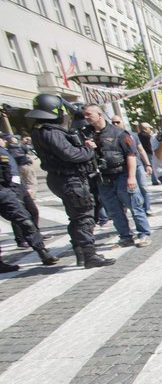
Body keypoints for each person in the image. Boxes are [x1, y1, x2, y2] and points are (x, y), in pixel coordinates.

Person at [27, 95, 114, 268]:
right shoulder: (51, 132)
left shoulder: (40, 130)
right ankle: (89, 255)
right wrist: (88, 150)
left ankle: (81, 253)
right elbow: (71, 155)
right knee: (84, 217)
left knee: (76, 217)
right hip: (69, 179)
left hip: (61, 178)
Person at [82, 104, 152, 248]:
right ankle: (125, 236)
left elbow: (131, 155)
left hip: (122, 175)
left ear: (99, 115)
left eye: (89, 114)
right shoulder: (85, 134)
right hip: (102, 178)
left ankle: (143, 234)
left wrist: (131, 177)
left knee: (135, 206)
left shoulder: (119, 133)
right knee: (114, 210)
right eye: (85, 115)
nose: (86, 117)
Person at [0, 138, 57, 270]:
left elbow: (11, 173)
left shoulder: (3, 152)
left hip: (5, 192)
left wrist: (16, 192)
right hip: (7, 192)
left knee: (26, 221)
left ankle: (42, 252)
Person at [110, 115, 154, 217]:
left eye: (117, 122)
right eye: (113, 123)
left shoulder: (132, 135)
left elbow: (141, 149)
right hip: (123, 168)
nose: (115, 124)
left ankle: (147, 208)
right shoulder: (111, 136)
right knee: (130, 191)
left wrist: (147, 164)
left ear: (122, 122)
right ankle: (136, 210)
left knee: (143, 187)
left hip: (138, 165)